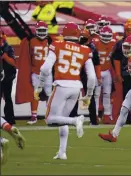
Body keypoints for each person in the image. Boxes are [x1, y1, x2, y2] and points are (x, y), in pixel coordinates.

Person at [34, 22, 96, 159]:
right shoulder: (85, 50)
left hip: (62, 85)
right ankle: (62, 152)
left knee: (50, 119)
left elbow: (44, 68)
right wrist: (89, 95)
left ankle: (76, 121)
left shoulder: (57, 45)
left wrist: (39, 86)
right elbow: (92, 77)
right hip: (76, 87)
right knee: (62, 119)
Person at [2, 21, 53, 125]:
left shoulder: (51, 40)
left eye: (44, 30)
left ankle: (50, 115)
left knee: (49, 94)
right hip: (35, 71)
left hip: (48, 72)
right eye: (40, 30)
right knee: (35, 94)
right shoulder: (30, 41)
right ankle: (34, 116)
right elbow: (26, 57)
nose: (42, 33)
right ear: (36, 30)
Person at [92, 26, 117, 124]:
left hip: (107, 71)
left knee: (107, 94)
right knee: (96, 94)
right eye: (104, 36)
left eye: (108, 36)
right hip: (97, 70)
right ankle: (96, 115)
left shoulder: (114, 43)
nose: (106, 38)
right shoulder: (95, 42)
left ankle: (107, 115)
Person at [0, 31, 16, 125]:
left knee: (7, 98)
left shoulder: (8, 48)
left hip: (7, 77)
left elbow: (14, 63)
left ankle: (10, 119)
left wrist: (5, 57)